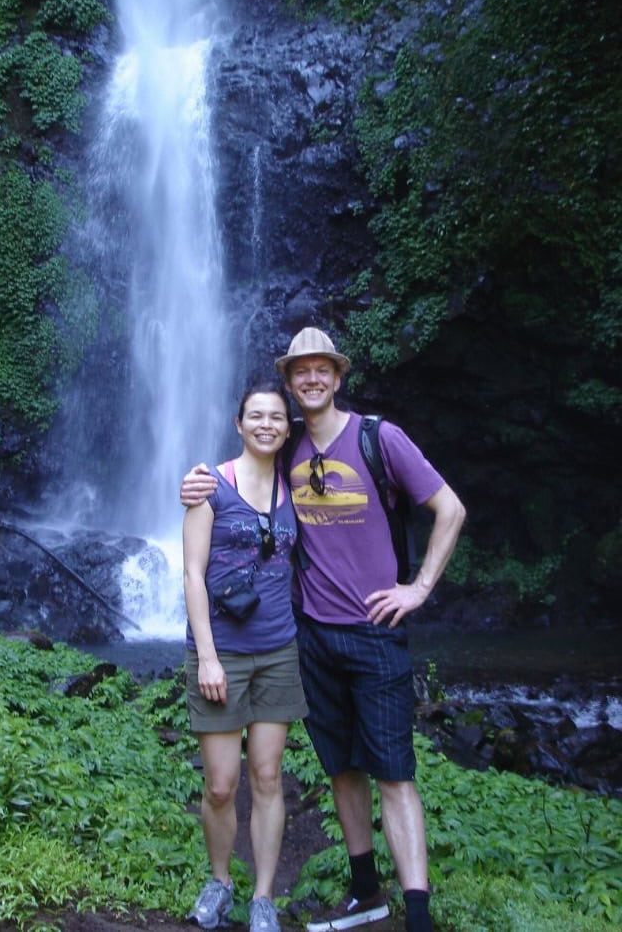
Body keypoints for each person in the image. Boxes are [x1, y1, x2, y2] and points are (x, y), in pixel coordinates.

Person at [181, 328, 466, 932]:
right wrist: (194, 483)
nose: (311, 380)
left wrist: (417, 589)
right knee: (341, 767)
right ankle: (365, 891)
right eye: (299, 372)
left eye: (322, 370)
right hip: (311, 636)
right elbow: (232, 495)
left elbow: (452, 508)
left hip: (373, 632)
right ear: (287, 385)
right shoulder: (282, 453)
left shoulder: (377, 438)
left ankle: (417, 913)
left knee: (393, 770)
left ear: (337, 377)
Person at [183, 379, 309, 932]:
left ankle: (263, 897)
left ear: (287, 428)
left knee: (267, 777)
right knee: (220, 784)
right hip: (221, 654)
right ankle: (220, 882)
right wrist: (207, 657)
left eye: (276, 417)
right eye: (256, 416)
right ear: (239, 424)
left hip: (278, 650)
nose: (266, 425)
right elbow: (191, 573)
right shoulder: (210, 486)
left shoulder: (296, 489)